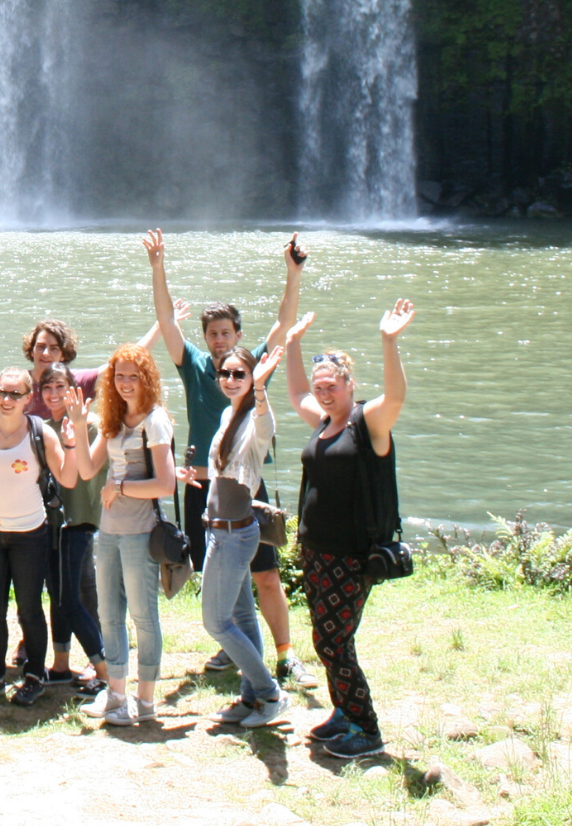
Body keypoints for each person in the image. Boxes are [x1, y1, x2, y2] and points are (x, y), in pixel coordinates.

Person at [145, 229, 314, 692]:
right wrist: (158, 267)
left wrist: (292, 275)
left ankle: (285, 656)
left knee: (263, 573)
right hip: (200, 489)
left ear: (238, 335)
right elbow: (166, 320)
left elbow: (284, 323)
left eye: (226, 333)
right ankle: (236, 643)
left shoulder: (253, 366)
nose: (219, 341)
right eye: (212, 334)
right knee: (218, 573)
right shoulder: (197, 367)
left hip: (243, 490)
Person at [284, 298, 414, 761]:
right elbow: (296, 391)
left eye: (332, 385)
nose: (323, 392)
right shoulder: (322, 422)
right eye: (321, 386)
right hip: (318, 552)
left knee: (334, 640)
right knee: (327, 636)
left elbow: (396, 396)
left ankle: (366, 729)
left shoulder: (367, 422)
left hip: (351, 554)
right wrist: (292, 344)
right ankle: (343, 711)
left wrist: (388, 341)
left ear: (349, 385)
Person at [0, 367, 77, 706]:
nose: (7, 400)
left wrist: (72, 442)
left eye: (15, 394)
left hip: (30, 535)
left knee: (29, 610)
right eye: (2, 392)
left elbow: (68, 478)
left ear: (28, 399)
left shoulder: (40, 435)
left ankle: (34, 676)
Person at [202, 327, 301, 731]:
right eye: (225, 373)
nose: (229, 380)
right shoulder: (228, 414)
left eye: (238, 374)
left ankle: (271, 693)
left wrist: (260, 387)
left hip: (234, 535)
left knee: (215, 622)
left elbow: (263, 422)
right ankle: (251, 697)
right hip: (218, 529)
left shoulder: (258, 417)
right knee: (242, 617)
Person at [71, 343, 175, 725]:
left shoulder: (155, 420)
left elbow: (165, 484)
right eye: (119, 376)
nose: (126, 383)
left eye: (133, 375)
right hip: (110, 530)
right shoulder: (112, 420)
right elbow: (86, 471)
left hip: (140, 531)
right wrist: (81, 427)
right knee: (109, 614)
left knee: (143, 615)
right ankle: (116, 694)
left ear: (147, 378)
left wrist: (121, 488)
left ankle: (145, 701)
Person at [38, 364, 106, 692]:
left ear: (73, 389)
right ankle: (61, 664)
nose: (53, 395)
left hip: (76, 521)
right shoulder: (45, 428)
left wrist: (75, 432)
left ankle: (105, 668)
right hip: (50, 524)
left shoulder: (88, 425)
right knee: (59, 594)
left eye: (59, 387)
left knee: (69, 599)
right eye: (46, 388)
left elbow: (87, 472)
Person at [22, 321, 97, 415]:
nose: (45, 353)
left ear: (63, 355)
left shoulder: (78, 380)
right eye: (40, 347)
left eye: (54, 349)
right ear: (32, 351)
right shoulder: (16, 384)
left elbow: (114, 369)